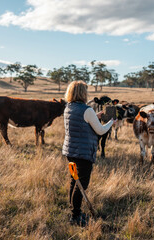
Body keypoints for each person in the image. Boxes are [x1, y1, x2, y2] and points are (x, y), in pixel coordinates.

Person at [62, 80, 115, 226]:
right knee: (82, 184)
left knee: (74, 181)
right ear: (83, 93)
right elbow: (101, 131)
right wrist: (111, 122)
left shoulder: (68, 108)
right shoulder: (87, 110)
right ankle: (75, 217)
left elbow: (80, 122)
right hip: (83, 153)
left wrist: (95, 116)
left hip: (70, 151)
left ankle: (74, 210)